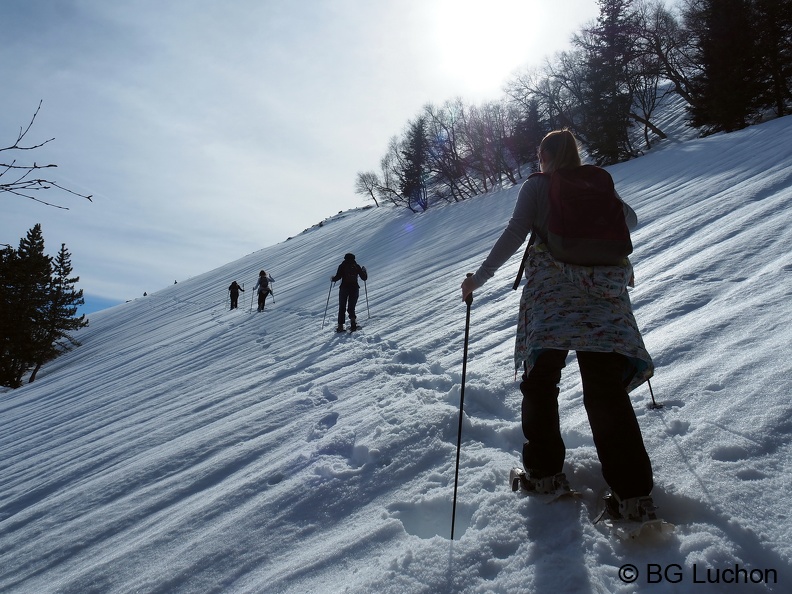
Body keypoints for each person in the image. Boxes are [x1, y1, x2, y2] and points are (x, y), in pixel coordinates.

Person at [460, 129, 656, 522]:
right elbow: (629, 219)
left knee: (541, 381)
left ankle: (545, 474)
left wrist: (476, 280)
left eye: (538, 155)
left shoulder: (538, 187)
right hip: (603, 297)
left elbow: (515, 233)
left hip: (552, 298)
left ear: (546, 156)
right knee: (605, 391)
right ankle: (633, 497)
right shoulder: (597, 184)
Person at [331, 253, 367, 332]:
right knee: (351, 307)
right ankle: (353, 324)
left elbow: (338, 277)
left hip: (344, 288)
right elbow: (364, 278)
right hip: (354, 288)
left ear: (345, 258)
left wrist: (333, 279)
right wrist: (364, 271)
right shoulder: (356, 266)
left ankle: (340, 326)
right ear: (354, 258)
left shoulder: (342, 266)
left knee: (342, 307)